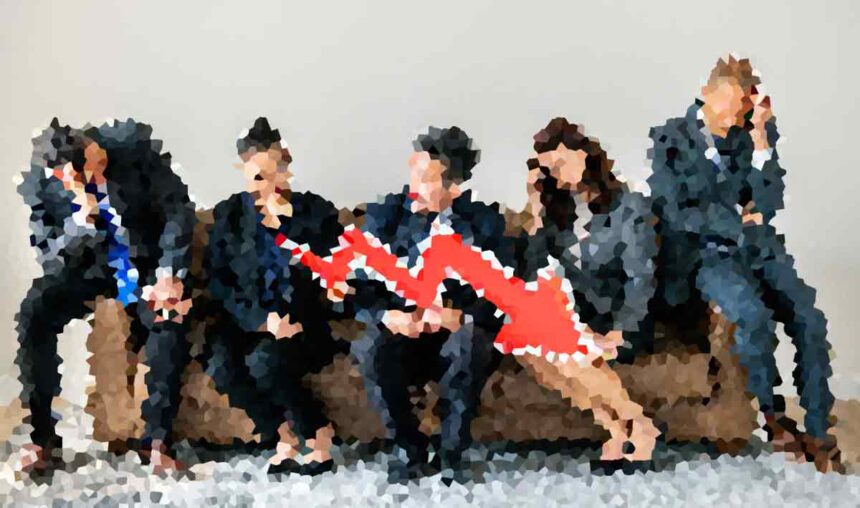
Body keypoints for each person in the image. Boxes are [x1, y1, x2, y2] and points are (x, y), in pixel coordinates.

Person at [646, 55, 841, 472]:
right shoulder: (670, 138)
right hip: (705, 255)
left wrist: (760, 142)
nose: (732, 117)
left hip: (759, 248)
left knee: (810, 320)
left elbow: (769, 202)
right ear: (706, 94)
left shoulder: (750, 135)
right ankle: (773, 417)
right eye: (728, 105)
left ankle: (818, 426)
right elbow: (675, 212)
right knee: (753, 318)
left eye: (741, 109)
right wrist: (737, 221)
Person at [16, 119, 196, 474]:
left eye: (92, 168)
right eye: (74, 179)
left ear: (93, 149)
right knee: (33, 313)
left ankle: (157, 442)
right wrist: (81, 223)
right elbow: (49, 255)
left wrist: (169, 272)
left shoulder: (134, 145)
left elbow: (178, 211)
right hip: (86, 270)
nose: (91, 179)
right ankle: (41, 439)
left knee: (168, 318)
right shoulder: (41, 184)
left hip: (146, 267)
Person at [349, 126, 512, 484]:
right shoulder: (387, 216)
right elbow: (357, 286)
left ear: (454, 188)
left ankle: (452, 453)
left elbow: (505, 291)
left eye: (425, 179)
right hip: (405, 330)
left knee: (469, 343)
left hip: (455, 333)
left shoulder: (485, 223)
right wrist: (388, 315)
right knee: (368, 347)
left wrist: (462, 316)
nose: (413, 187)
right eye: (414, 173)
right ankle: (409, 448)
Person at [202, 117, 350, 475]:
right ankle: (282, 434)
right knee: (219, 362)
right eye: (257, 177)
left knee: (264, 361)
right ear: (244, 173)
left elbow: (334, 271)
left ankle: (317, 433)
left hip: (300, 322)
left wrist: (294, 315)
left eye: (274, 174)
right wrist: (259, 320)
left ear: (286, 167)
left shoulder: (316, 214)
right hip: (247, 320)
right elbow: (219, 282)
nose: (267, 186)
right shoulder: (229, 217)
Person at [506, 118, 660, 462]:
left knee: (567, 353)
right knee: (527, 348)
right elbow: (532, 273)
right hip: (577, 320)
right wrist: (534, 211)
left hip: (622, 319)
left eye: (562, 162)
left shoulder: (628, 207)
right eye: (551, 169)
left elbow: (641, 278)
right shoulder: (555, 214)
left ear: (585, 154)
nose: (559, 175)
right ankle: (620, 426)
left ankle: (636, 424)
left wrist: (620, 332)